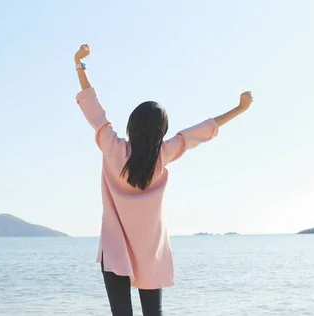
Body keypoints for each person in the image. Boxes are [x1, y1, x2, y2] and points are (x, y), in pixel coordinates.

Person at [73, 44, 253, 316]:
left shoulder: (112, 147)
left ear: (132, 125)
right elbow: (200, 132)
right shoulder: (162, 155)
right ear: (161, 132)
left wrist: (79, 65)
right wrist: (239, 109)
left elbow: (94, 110)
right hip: (150, 250)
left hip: (115, 249)